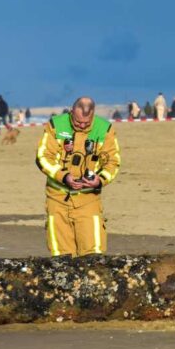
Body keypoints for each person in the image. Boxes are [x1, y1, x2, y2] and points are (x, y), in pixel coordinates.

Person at [35, 96, 120, 256]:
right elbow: (43, 157)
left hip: (88, 201)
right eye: (78, 122)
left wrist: (99, 180)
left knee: (93, 255)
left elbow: (113, 162)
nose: (82, 126)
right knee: (61, 257)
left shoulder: (105, 129)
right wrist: (64, 177)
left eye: (86, 123)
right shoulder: (55, 125)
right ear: (71, 112)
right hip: (57, 200)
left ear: (93, 115)